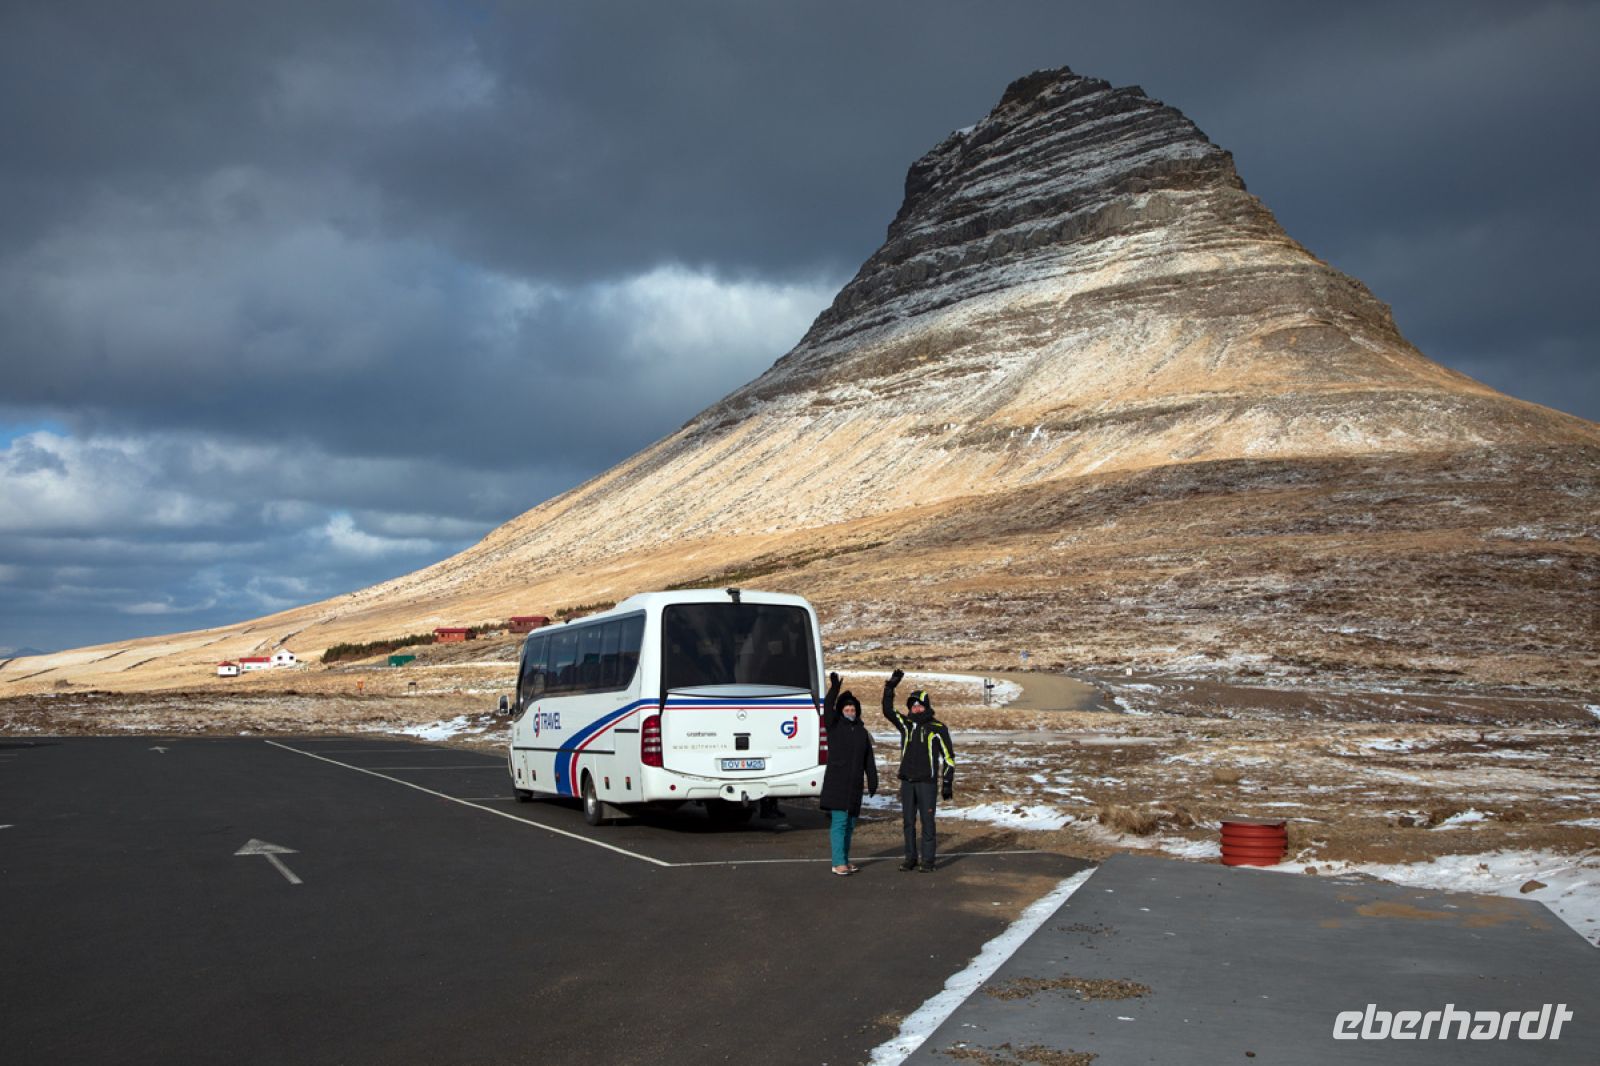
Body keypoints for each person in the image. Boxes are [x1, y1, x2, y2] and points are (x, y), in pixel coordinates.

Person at [882, 668, 956, 871]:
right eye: (912, 706)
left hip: (927, 783)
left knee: (928, 822)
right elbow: (888, 711)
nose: (915, 708)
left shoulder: (938, 728)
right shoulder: (906, 725)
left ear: (926, 706)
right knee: (908, 822)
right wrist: (890, 687)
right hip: (907, 781)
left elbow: (949, 757)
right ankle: (910, 858)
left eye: (919, 705)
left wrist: (947, 782)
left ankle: (928, 861)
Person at [819, 671, 877, 876]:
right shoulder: (834, 726)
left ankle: (845, 858)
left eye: (853, 709)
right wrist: (834, 689)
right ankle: (838, 862)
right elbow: (827, 708)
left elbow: (868, 758)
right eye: (847, 708)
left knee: (851, 824)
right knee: (840, 823)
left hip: (854, 786)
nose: (850, 711)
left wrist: (872, 779)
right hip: (837, 783)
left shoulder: (861, 731)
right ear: (841, 710)